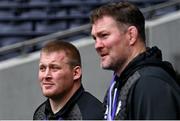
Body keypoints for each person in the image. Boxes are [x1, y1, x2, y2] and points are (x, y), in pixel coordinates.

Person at [90, 1, 180, 120]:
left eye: (104, 35)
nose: (97, 45)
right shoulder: (119, 84)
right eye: (95, 38)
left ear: (131, 35)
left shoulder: (150, 84)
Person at [33, 40, 104, 120]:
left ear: (76, 73)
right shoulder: (40, 113)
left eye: (54, 68)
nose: (46, 75)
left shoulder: (92, 115)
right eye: (42, 68)